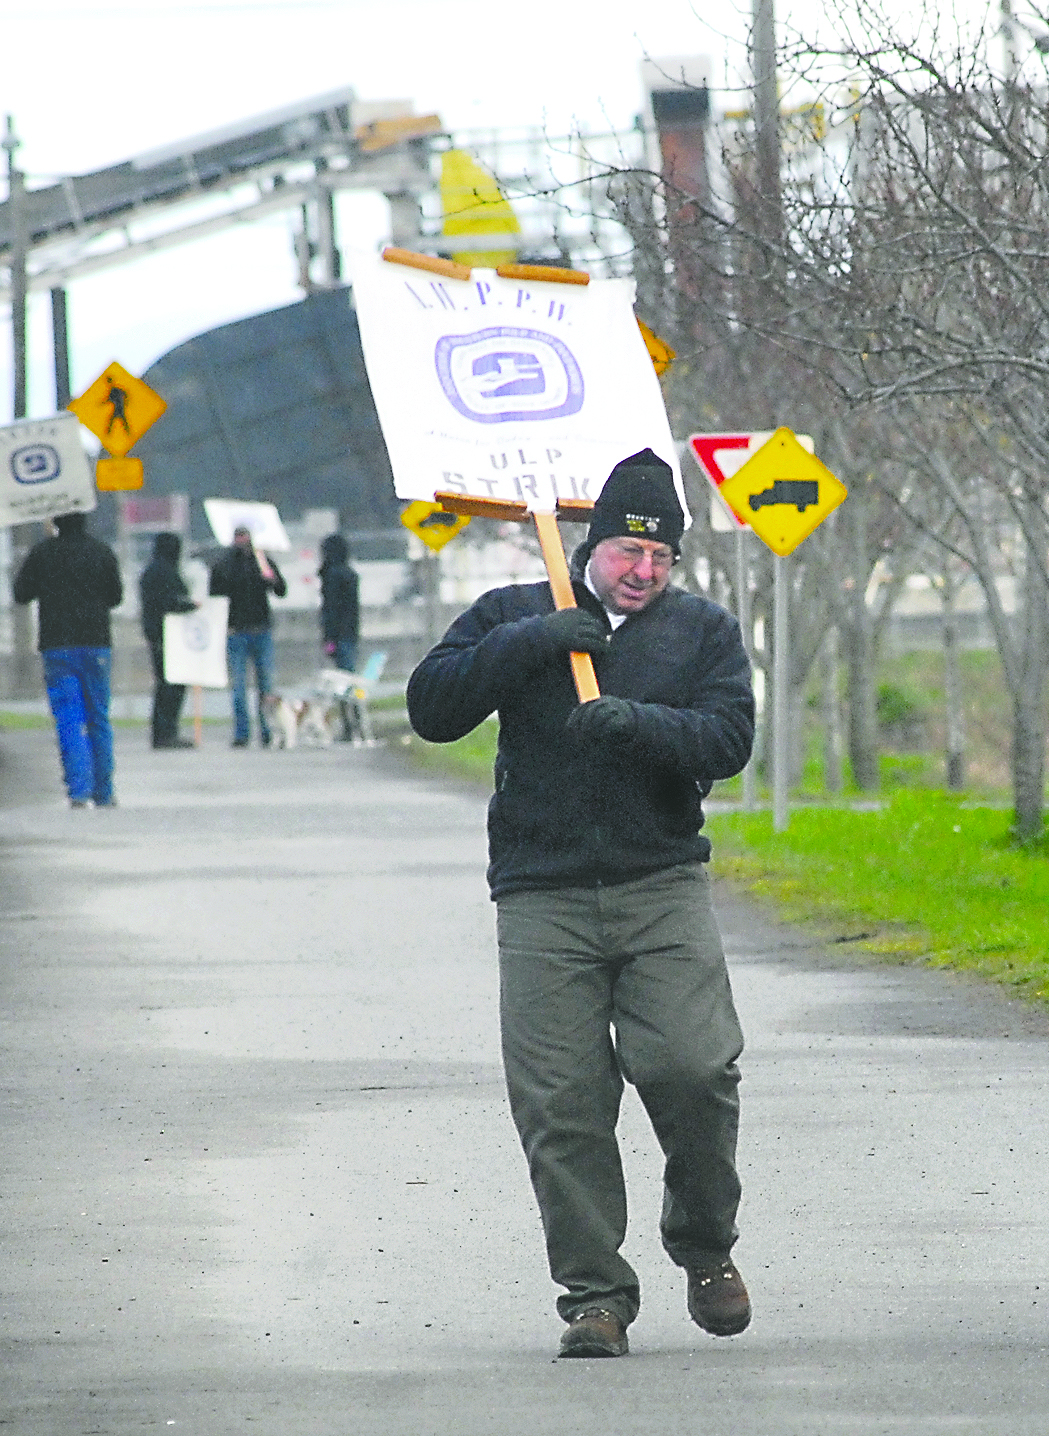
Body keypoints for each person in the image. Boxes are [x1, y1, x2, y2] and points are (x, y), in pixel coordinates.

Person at [405, 449, 755, 1360]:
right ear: (591, 545)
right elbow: (432, 708)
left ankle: (705, 1244)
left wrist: (636, 723)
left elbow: (727, 740)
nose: (643, 572)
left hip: (659, 885)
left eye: (661, 558)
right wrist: (533, 643)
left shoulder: (702, 632)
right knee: (560, 1102)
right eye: (627, 553)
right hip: (541, 896)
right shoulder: (514, 615)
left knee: (693, 1068)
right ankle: (594, 1295)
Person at [12, 509, 124, 808]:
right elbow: (116, 597)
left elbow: (21, 594)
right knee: (98, 717)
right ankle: (105, 790)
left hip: (57, 644)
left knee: (69, 718)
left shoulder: (42, 553)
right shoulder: (101, 552)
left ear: (55, 523)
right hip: (96, 642)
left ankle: (78, 790)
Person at [207, 525, 287, 748]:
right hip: (237, 630)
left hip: (260, 628)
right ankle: (242, 733)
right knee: (239, 687)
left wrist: (269, 577)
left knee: (266, 685)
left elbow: (280, 589)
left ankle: (267, 729)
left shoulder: (262, 561)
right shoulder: (224, 565)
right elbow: (215, 596)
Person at [138, 532, 200, 749]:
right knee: (171, 686)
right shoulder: (165, 573)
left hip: (156, 635)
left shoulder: (150, 572)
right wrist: (191, 606)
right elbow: (169, 602)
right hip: (168, 636)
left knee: (164, 685)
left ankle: (162, 732)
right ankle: (167, 731)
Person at [318, 531, 361, 674]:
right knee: (348, 669)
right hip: (350, 631)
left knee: (344, 672)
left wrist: (329, 637)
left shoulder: (332, 576)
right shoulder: (350, 574)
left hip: (337, 634)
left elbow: (331, 608)